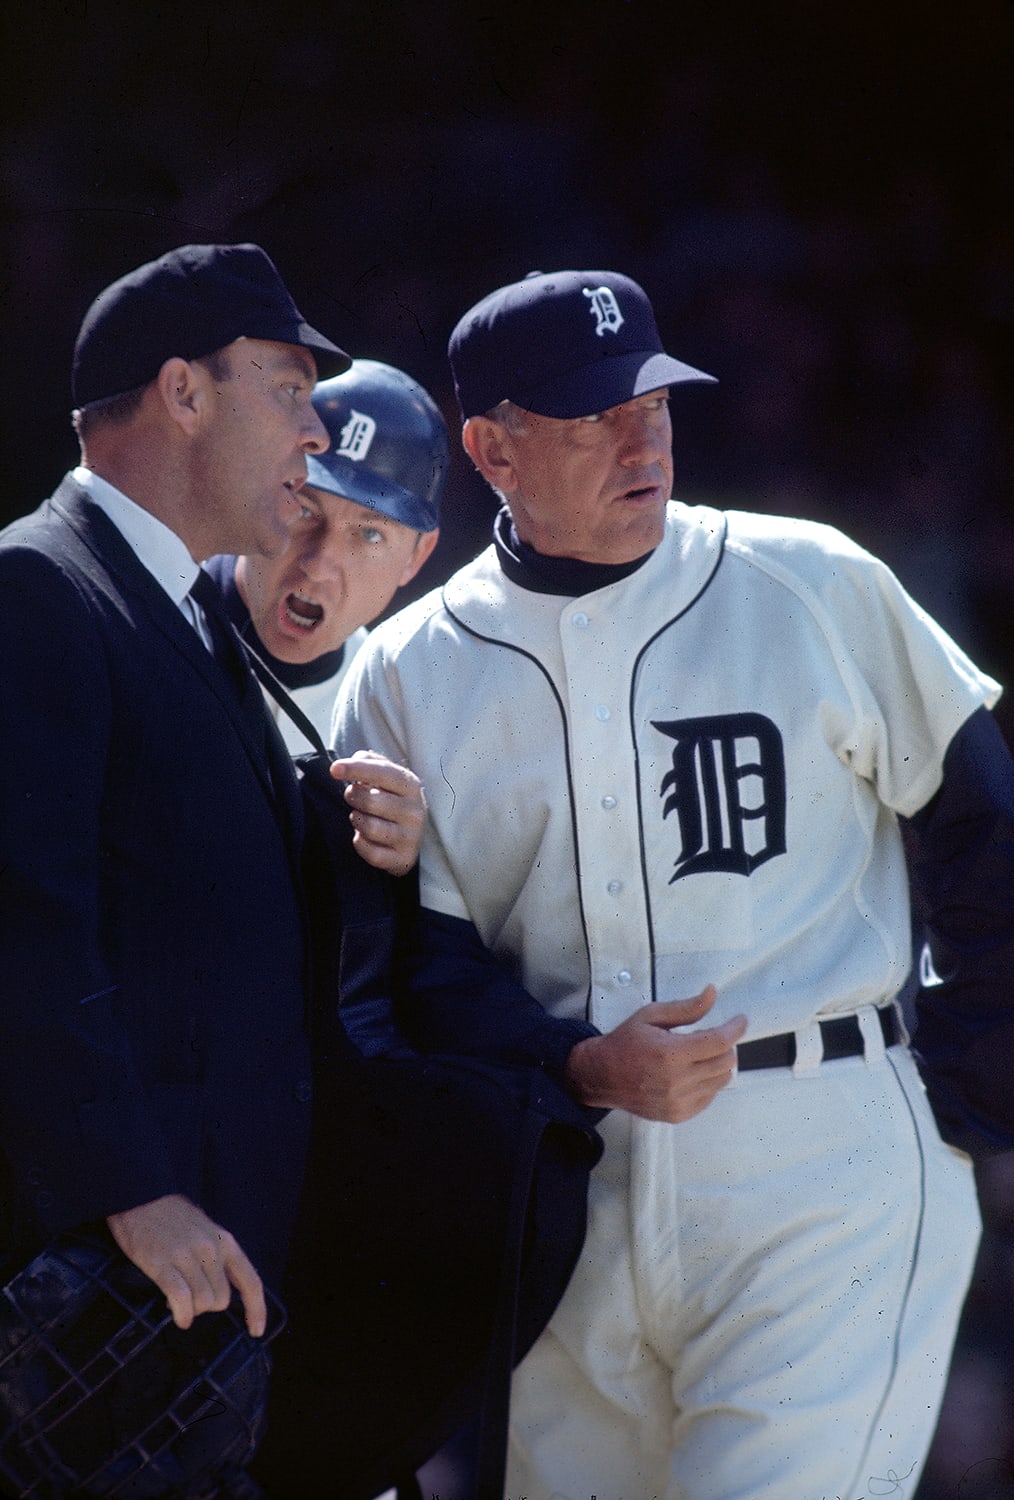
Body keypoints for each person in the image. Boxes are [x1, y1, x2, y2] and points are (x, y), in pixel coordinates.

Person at [332, 268, 1014, 1499]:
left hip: (822, 1167)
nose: (641, 437)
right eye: (593, 414)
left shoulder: (810, 580)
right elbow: (424, 966)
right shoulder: (406, 670)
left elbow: (983, 823)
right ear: (491, 448)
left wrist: (968, 1087)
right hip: (575, 1202)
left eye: (652, 400)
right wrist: (577, 1067)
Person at [0, 242, 423, 1493]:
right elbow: (25, 923)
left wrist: (359, 852)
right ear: (184, 394)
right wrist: (129, 1189)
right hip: (93, 1293)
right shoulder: (39, 584)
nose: (315, 431)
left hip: (187, 1305)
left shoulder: (178, 608)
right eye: (291, 392)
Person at [206, 358, 446, 753]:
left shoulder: (396, 720)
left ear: (416, 557)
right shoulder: (150, 615)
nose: (318, 564)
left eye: (370, 533)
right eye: (303, 509)